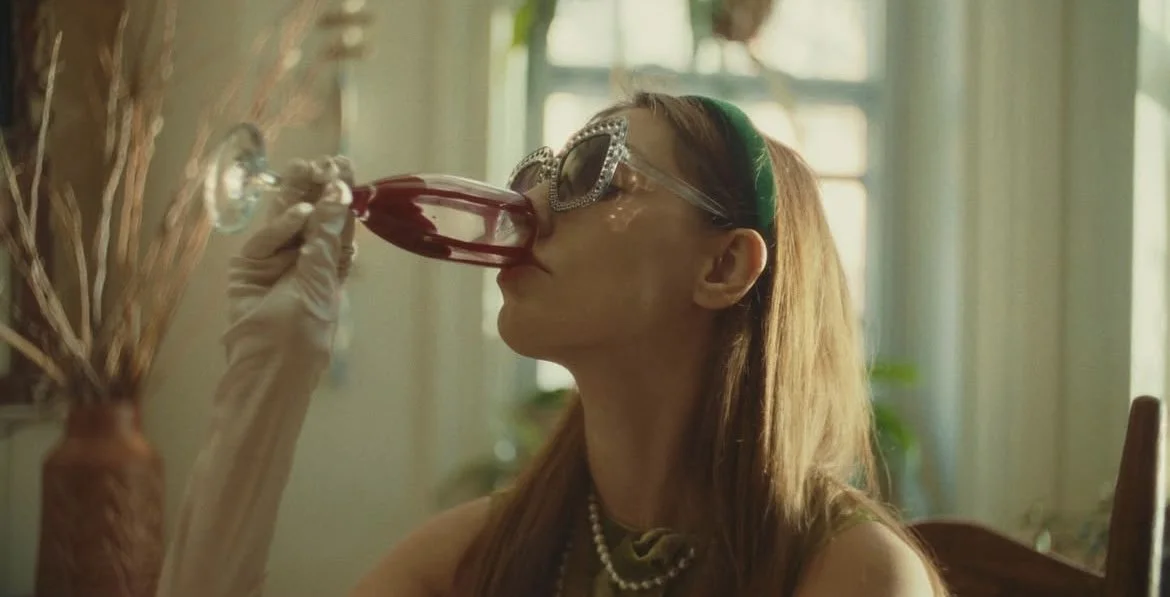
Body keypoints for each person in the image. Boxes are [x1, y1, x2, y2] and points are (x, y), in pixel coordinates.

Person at [156, 92, 945, 597]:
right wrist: (267, 381)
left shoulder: (854, 575)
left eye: (592, 170)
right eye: (533, 172)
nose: (521, 207)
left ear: (723, 264)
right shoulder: (483, 556)